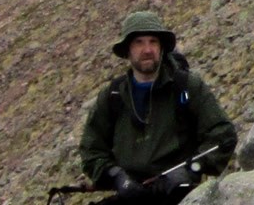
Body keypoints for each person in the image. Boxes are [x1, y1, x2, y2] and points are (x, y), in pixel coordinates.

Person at [79, 12, 236, 205]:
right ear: (127, 50)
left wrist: (188, 170)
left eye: (153, 41)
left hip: (182, 196)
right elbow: (91, 150)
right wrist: (117, 177)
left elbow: (223, 136)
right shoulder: (112, 96)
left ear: (161, 47)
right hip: (130, 198)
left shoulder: (186, 87)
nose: (147, 49)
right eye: (139, 42)